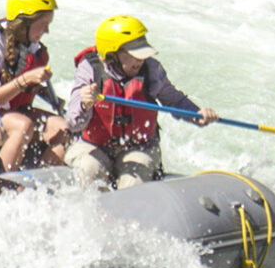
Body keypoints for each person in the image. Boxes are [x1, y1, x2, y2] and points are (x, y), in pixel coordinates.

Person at [63, 14, 216, 189]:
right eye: (134, 55)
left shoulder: (151, 70)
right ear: (112, 54)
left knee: (132, 182)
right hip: (93, 145)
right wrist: (84, 104)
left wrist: (197, 114)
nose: (141, 60)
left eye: (142, 54)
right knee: (89, 169)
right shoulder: (89, 69)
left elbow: (174, 100)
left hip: (138, 148)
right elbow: (73, 123)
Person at [0, 0, 66, 172]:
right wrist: (25, 80)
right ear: (25, 22)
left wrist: (44, 92)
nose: (46, 31)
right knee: (23, 126)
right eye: (43, 24)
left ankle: (45, 179)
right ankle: (2, 183)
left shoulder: (33, 46)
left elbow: (24, 88)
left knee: (62, 128)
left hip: (15, 110)